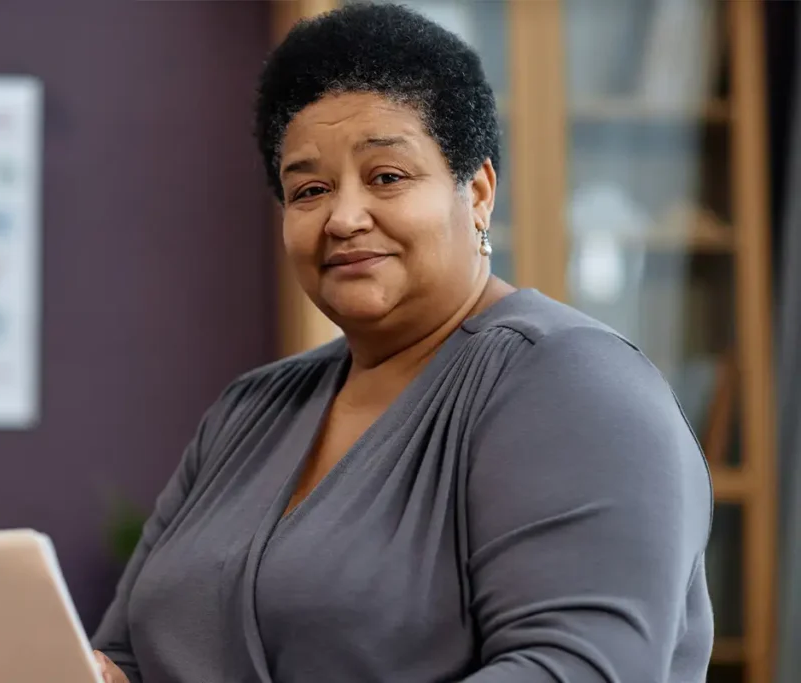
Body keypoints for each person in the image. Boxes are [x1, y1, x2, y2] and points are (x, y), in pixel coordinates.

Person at [91, 3, 714, 682]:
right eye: (309, 190)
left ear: (478, 192)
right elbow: (127, 656)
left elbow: (576, 668)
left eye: (386, 176)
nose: (343, 217)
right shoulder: (248, 411)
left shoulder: (574, 384)